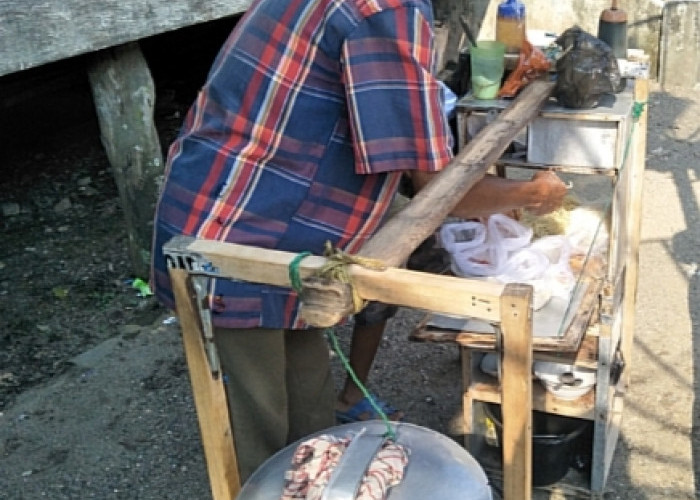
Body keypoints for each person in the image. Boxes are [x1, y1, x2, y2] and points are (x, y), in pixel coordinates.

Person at [151, 0, 567, 483]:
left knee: (311, 420)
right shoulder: (384, 13)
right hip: (233, 236)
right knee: (259, 447)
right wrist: (533, 193)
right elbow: (438, 188)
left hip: (288, 236)